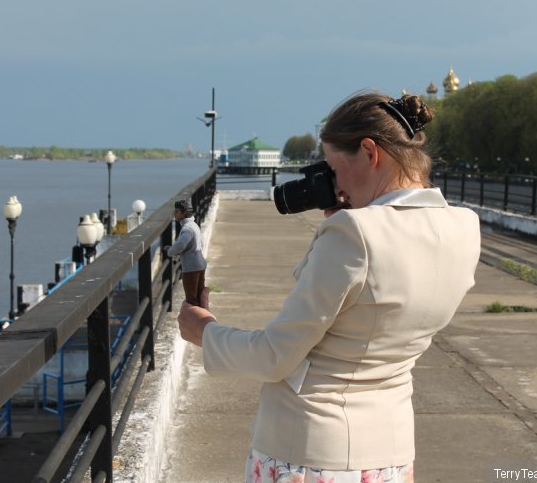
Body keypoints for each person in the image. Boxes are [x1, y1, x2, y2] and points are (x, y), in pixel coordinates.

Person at [177, 90, 481, 482]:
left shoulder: (353, 233)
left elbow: (275, 355)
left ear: (370, 153)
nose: (334, 185)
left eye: (335, 168)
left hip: (310, 453)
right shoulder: (464, 227)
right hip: (391, 454)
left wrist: (204, 331)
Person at [164, 199, 208, 308]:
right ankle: (203, 321)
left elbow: (181, 245)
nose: (175, 214)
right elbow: (199, 243)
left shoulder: (187, 228)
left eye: (177, 211)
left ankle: (196, 323)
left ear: (184, 213)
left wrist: (170, 252)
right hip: (200, 265)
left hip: (191, 268)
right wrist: (174, 248)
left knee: (191, 299)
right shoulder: (194, 225)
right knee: (200, 296)